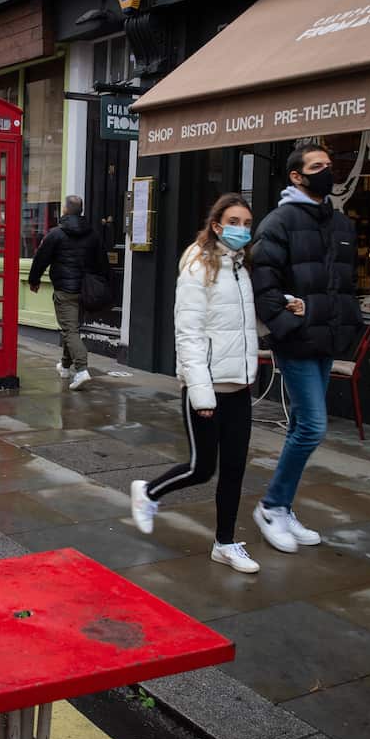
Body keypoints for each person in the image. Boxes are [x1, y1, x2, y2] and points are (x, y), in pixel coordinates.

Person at [129, 194, 289, 574]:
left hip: (239, 386)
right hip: (207, 387)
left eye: (248, 223)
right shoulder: (198, 266)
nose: (242, 230)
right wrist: (200, 392)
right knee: (202, 468)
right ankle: (148, 492)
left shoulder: (241, 268)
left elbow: (244, 322)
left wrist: (283, 308)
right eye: (234, 221)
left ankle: (226, 543)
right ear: (216, 225)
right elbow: (188, 334)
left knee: (234, 470)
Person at [248, 142, 363, 553]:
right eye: (317, 167)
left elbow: (344, 285)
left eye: (329, 165)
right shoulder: (278, 223)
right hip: (297, 341)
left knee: (301, 426)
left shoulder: (341, 225)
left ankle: (283, 507)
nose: (326, 171)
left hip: (326, 337)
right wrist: (288, 325)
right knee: (313, 426)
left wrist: (338, 320)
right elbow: (264, 286)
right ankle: (271, 506)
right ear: (296, 176)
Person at [27, 195, 108, 391]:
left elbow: (40, 259)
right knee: (71, 328)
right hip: (85, 290)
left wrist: (34, 281)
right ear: (80, 211)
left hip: (65, 291)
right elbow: (102, 262)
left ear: (65, 210)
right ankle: (64, 366)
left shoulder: (56, 234)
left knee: (69, 330)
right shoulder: (93, 234)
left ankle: (81, 370)